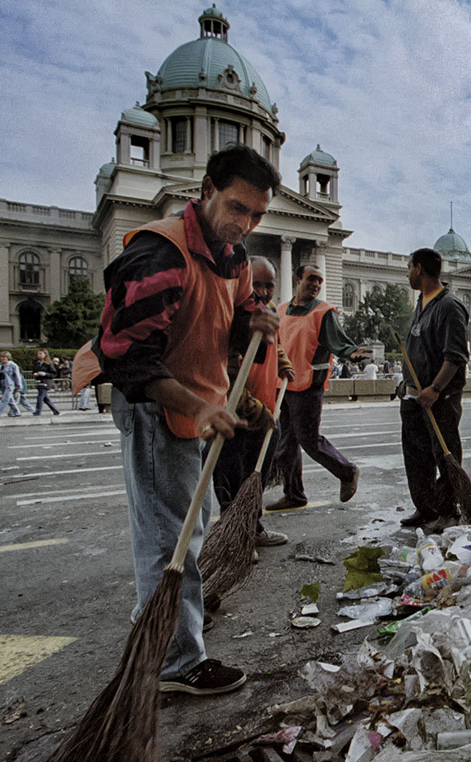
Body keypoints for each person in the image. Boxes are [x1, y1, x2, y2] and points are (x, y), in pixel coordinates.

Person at [90, 145, 284, 695]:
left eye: (256, 215)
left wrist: (257, 324)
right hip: (157, 408)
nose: (244, 224)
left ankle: (157, 620)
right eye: (237, 208)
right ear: (205, 190)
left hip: (200, 407)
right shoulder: (160, 255)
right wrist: (199, 407)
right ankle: (177, 662)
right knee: (168, 536)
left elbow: (237, 317)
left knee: (185, 525)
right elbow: (129, 358)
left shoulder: (233, 256)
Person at [266, 264, 369, 512]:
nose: (316, 284)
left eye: (320, 281)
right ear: (297, 279)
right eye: (311, 279)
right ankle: (294, 494)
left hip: (308, 385)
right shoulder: (280, 310)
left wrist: (351, 352)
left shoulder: (323, 312)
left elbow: (339, 341)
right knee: (285, 443)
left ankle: (346, 471)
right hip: (284, 386)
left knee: (308, 440)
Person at [211, 257, 293, 549]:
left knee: (254, 477)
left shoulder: (268, 311)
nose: (263, 291)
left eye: (269, 285)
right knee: (231, 480)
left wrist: (282, 362)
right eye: (256, 284)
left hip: (265, 409)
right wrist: (256, 411)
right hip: (236, 415)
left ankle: (253, 528)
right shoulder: (234, 313)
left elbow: (275, 343)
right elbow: (228, 375)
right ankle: (235, 538)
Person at [399, 247, 469, 528]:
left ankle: (448, 509)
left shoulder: (449, 306)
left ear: (418, 268)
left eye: (409, 268)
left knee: (445, 454)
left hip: (438, 399)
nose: (408, 274)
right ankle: (425, 507)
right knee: (416, 456)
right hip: (414, 397)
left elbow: (455, 356)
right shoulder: (421, 303)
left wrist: (435, 389)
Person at [0, 352, 26, 417]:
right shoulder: (0, 365)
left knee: (5, 399)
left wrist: (19, 386)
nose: (3, 359)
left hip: (9, 384)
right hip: (2, 383)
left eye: (4, 357)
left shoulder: (13, 365)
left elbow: (17, 376)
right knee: (10, 400)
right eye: (1, 357)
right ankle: (17, 412)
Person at [31, 350, 62, 416]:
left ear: (45, 354)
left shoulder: (49, 363)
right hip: (39, 381)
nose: (39, 355)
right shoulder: (37, 363)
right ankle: (55, 410)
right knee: (45, 398)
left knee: (40, 396)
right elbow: (33, 371)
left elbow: (54, 374)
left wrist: (44, 374)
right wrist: (35, 374)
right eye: (38, 353)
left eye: (40, 353)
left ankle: (38, 411)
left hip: (45, 382)